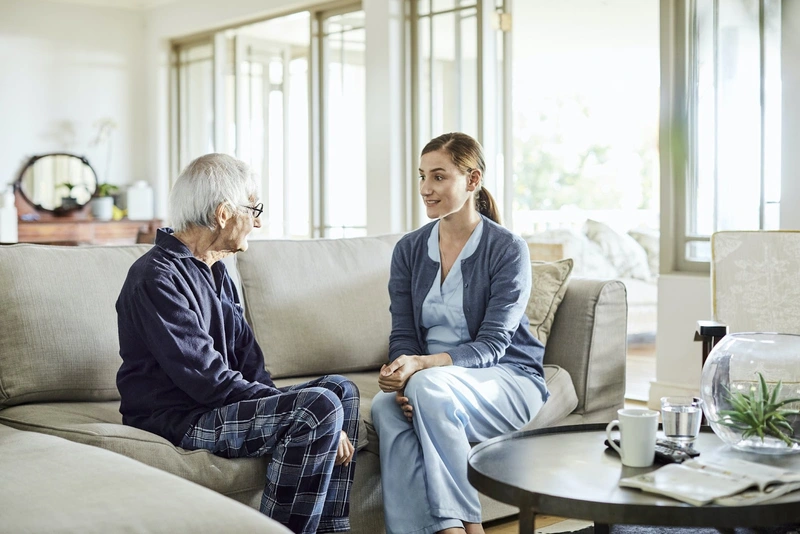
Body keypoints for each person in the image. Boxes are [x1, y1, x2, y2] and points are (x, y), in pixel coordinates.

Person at [116, 153, 358, 534]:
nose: (258, 220)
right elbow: (207, 379)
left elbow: (250, 364)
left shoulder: (217, 271)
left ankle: (329, 528)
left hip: (212, 407)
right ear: (224, 214)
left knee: (339, 390)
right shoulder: (155, 278)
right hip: (178, 418)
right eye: (254, 207)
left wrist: (282, 405)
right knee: (319, 408)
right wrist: (299, 410)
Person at [371, 132, 549, 534]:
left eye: (438, 177)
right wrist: (402, 371)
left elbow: (493, 345)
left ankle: (466, 528)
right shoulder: (409, 249)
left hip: (507, 378)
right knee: (384, 408)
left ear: (472, 181)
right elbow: (403, 333)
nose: (425, 189)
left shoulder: (507, 249)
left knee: (429, 388)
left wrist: (420, 369)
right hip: (431, 384)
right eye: (421, 177)